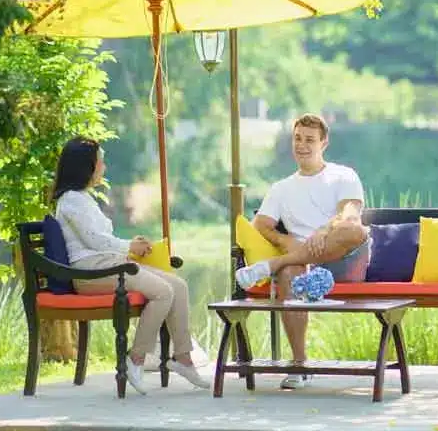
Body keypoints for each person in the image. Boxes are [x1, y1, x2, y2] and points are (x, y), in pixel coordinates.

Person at [51, 137, 211, 395]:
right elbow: (94, 241)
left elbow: (101, 239)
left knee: (178, 286)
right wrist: (130, 246)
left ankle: (183, 358)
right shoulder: (71, 200)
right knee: (163, 292)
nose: (103, 167)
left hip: (109, 265)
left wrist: (131, 246)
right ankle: (136, 358)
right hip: (91, 272)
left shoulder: (83, 198)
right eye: (100, 161)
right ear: (85, 166)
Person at [234, 113, 369, 388]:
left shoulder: (343, 175)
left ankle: (272, 265)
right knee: (288, 273)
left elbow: (350, 215)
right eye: (297, 138)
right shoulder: (281, 188)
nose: (302, 145)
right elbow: (261, 224)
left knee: (355, 230)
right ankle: (299, 365)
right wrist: (285, 241)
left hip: (344, 260)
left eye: (309, 140)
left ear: (324, 143)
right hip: (304, 267)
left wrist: (322, 231)